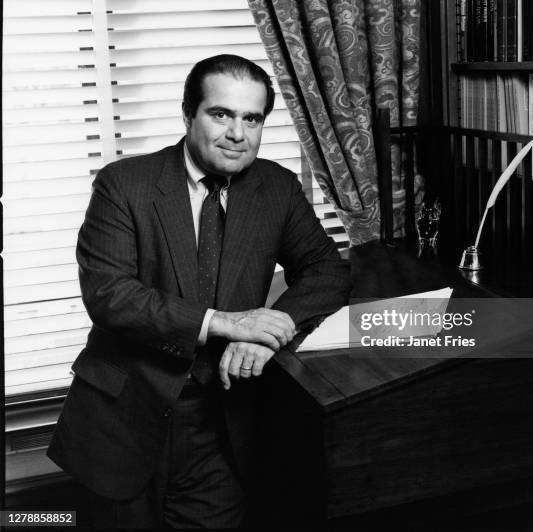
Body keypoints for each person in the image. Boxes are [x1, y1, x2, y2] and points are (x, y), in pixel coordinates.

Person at [47, 54, 351, 529]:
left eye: (252, 119)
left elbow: (327, 271)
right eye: (221, 114)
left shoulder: (278, 188)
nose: (237, 133)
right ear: (188, 114)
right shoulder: (124, 184)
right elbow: (110, 294)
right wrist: (227, 323)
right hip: (123, 420)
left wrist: (267, 332)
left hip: (222, 425)